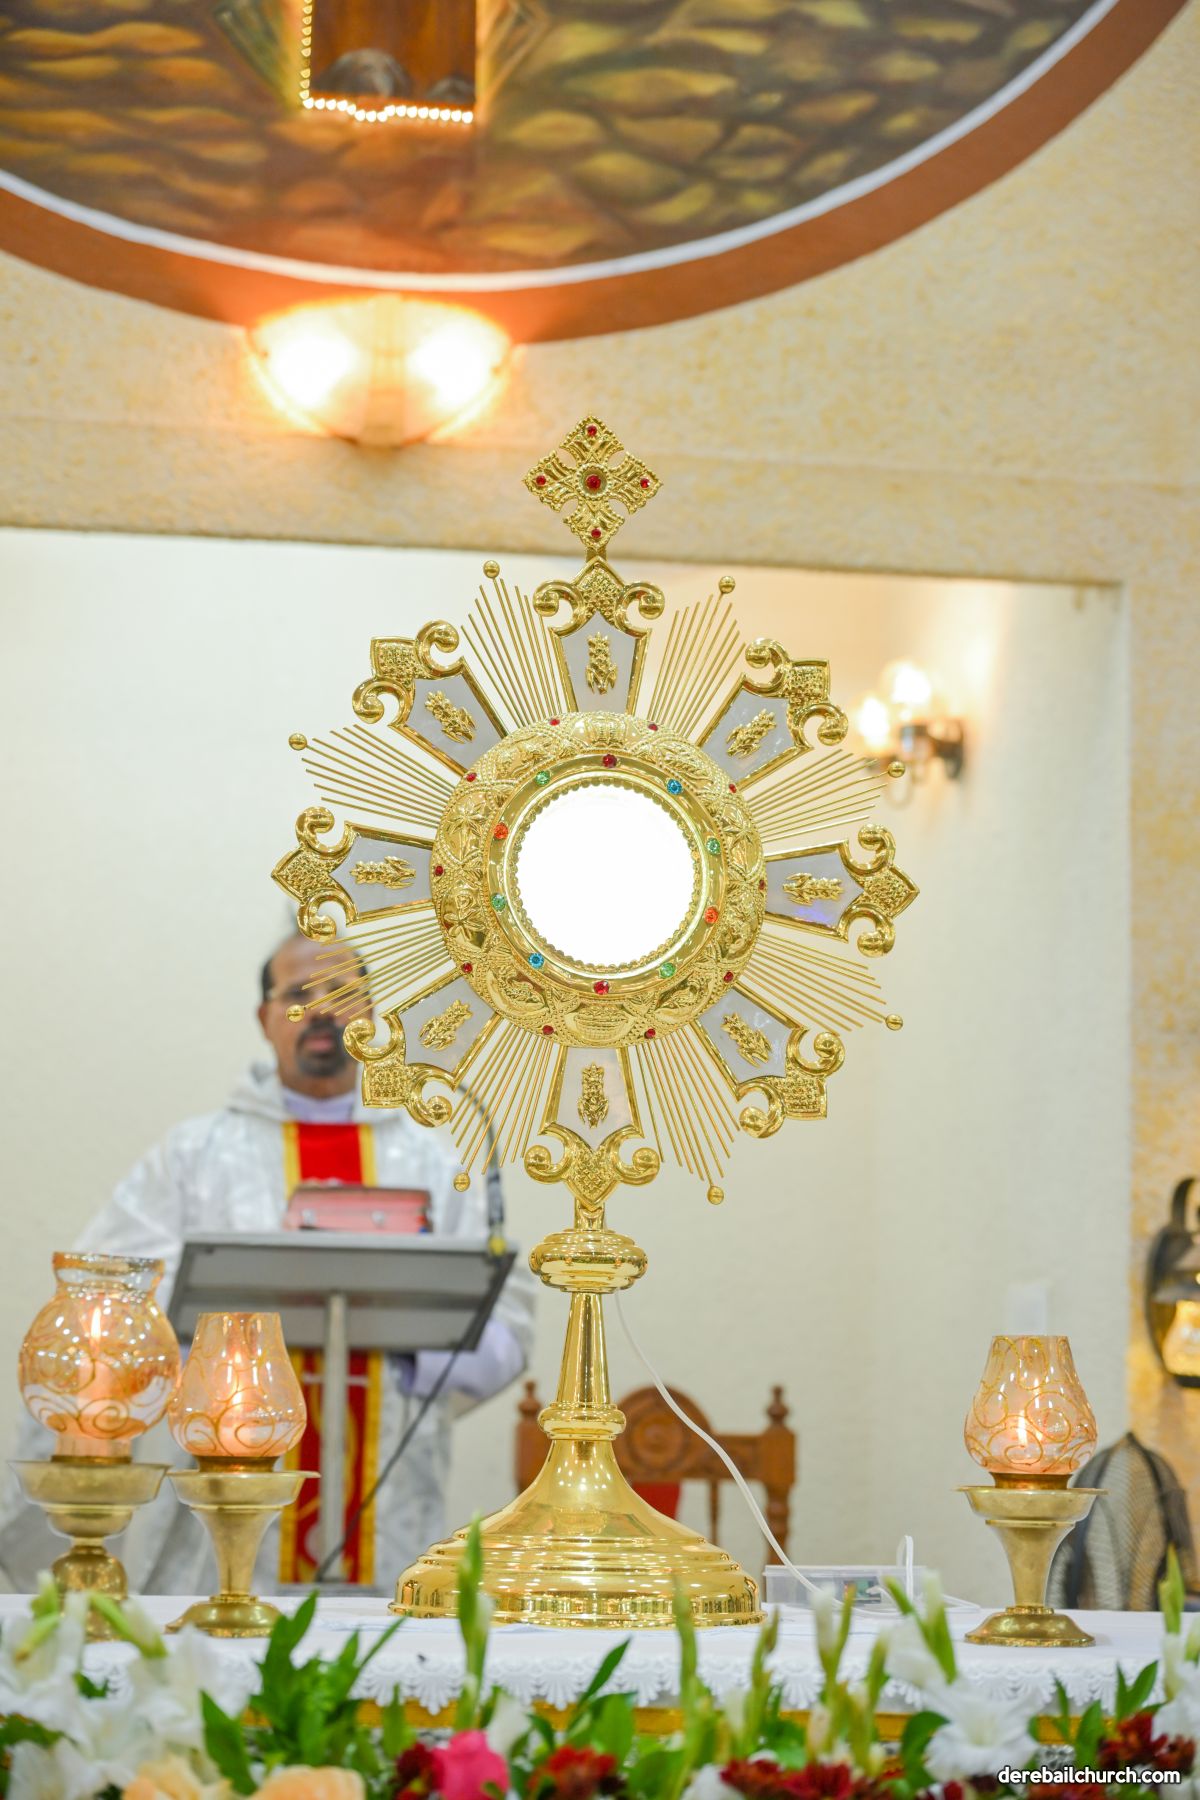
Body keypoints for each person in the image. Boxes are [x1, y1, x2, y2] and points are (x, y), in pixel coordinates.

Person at [0, 931, 535, 1597]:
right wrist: (215, 1335)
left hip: (385, 1489)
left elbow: (506, 1323)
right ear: (264, 1017)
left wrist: (407, 1350)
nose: (322, 1009)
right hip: (219, 1479)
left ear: (372, 1012)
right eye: (299, 993)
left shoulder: (436, 1162)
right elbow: (107, 1305)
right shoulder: (196, 1155)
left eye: (341, 992)